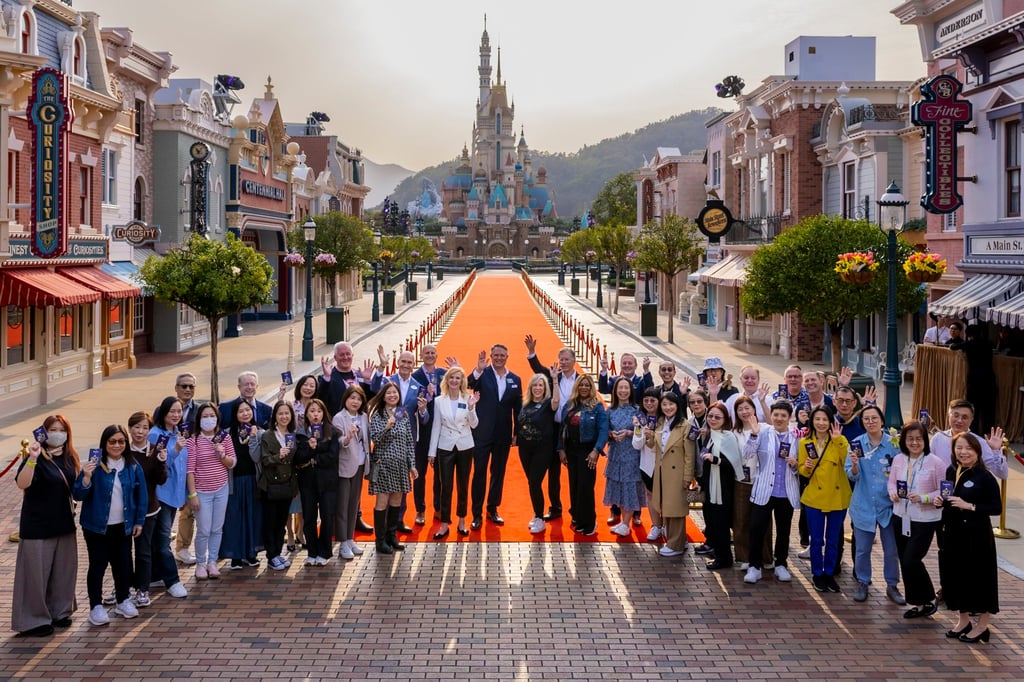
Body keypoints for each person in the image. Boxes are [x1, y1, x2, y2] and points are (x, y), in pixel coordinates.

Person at [11, 416, 81, 637]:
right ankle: (33, 619)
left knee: (63, 571)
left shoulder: (70, 456)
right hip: (37, 525)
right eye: (53, 429)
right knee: (35, 574)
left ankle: (60, 611)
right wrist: (31, 458)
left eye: (62, 430)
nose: (57, 433)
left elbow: (76, 487)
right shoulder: (36, 456)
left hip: (64, 523)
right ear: (44, 432)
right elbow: (22, 483)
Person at [73, 425, 147, 626]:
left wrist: (139, 521)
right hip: (96, 527)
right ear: (104, 444)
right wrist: (86, 477)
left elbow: (142, 497)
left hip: (122, 526)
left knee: (122, 564)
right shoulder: (95, 466)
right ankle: (95, 606)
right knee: (98, 565)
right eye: (112, 441)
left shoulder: (132, 466)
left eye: (121, 441)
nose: (117, 445)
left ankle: (123, 600)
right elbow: (78, 495)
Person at [936, 433, 1001, 643]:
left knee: (980, 580)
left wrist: (970, 506)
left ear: (977, 451)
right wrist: (941, 501)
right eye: (959, 448)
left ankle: (983, 625)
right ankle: (963, 620)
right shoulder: (952, 470)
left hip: (977, 537)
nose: (963, 452)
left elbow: (996, 508)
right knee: (956, 578)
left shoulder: (985, 476)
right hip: (953, 534)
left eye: (968, 449)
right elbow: (949, 498)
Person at [845, 405, 905, 605]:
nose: (870, 422)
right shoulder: (856, 444)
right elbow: (851, 475)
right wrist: (854, 464)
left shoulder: (894, 443)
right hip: (863, 505)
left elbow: (903, 471)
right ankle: (863, 582)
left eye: (874, 418)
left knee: (891, 549)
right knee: (862, 549)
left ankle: (892, 585)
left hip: (888, 506)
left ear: (882, 420)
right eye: (866, 419)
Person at [887, 422, 945, 619]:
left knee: (912, 559)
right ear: (903, 440)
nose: (914, 442)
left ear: (925, 440)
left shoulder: (935, 462)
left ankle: (929, 597)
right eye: (910, 438)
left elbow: (943, 491)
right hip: (901, 516)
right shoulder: (898, 459)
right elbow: (892, 483)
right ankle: (918, 603)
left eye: (918, 438)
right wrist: (893, 493)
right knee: (904, 560)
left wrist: (925, 497)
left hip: (925, 519)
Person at [371, 349, 430, 532]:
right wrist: (381, 366)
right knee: (385, 484)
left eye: (409, 363)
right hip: (385, 438)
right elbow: (373, 387)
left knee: (402, 482)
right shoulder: (388, 381)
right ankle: (385, 522)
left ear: (414, 365)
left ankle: (398, 519)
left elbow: (424, 419)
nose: (405, 365)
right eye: (403, 361)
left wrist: (422, 410)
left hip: (405, 439)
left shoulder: (418, 386)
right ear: (397, 362)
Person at [525, 335, 580, 522]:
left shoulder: (581, 380)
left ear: (574, 360)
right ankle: (555, 507)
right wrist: (532, 353)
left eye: (567, 359)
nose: (563, 362)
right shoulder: (552, 375)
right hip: (553, 429)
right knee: (553, 471)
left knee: (574, 472)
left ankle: (576, 511)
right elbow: (537, 369)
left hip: (573, 431)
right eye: (561, 359)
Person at [746, 401, 802, 583]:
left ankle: (781, 564)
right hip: (764, 490)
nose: (779, 419)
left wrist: (795, 466)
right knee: (756, 529)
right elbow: (747, 454)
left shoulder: (797, 436)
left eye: (783, 415)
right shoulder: (762, 432)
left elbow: (803, 466)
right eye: (776, 415)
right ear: (771, 415)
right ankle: (754, 566)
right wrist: (753, 435)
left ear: (789, 417)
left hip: (786, 491)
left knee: (784, 530)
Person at [468, 344, 522, 529]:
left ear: (507, 356)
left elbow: (518, 408)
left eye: (502, 355)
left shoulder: (515, 379)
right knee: (479, 473)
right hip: (481, 433)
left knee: (498, 473)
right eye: (496, 355)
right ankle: (476, 514)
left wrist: (517, 433)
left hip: (503, 434)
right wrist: (478, 369)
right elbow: (468, 384)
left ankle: (492, 509)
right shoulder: (482, 374)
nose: (499, 358)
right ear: (491, 356)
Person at [798, 405, 851, 593]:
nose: (821, 423)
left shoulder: (840, 439)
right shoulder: (805, 442)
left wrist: (838, 441)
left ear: (830, 422)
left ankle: (829, 573)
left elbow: (848, 462)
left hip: (838, 496)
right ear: (812, 421)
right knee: (816, 539)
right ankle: (817, 574)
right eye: (817, 419)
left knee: (833, 539)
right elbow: (802, 471)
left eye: (824, 419)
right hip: (815, 497)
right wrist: (807, 466)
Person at [429, 367, 481, 538]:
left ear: (462, 381)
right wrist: (432, 452)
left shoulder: (468, 398)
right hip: (445, 446)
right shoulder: (438, 401)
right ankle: (444, 524)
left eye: (458, 378)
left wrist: (472, 408)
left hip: (465, 445)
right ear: (447, 380)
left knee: (463, 485)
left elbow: (474, 425)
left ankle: (461, 520)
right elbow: (436, 426)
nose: (454, 381)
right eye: (451, 378)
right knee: (446, 486)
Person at [186, 403, 236, 580]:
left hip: (221, 488)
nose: (209, 419)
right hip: (202, 491)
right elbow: (190, 470)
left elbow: (232, 463)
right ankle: (200, 563)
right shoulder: (193, 440)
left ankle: (212, 562)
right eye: (205, 416)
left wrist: (222, 455)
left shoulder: (224, 437)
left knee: (217, 528)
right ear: (199, 419)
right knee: (204, 529)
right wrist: (193, 495)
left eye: (211, 416)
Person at [368, 382, 419, 553]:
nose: (392, 396)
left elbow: (409, 441)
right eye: (389, 393)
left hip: (400, 465)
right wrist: (387, 427)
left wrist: (412, 464)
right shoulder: (378, 416)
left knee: (396, 500)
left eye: (395, 393)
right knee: (382, 502)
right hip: (383, 465)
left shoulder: (402, 413)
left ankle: (392, 536)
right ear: (383, 396)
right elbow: (375, 439)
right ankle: (380, 540)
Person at [557, 374, 609, 536]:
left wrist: (596, 450)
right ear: (577, 387)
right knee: (574, 485)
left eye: (587, 385)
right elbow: (562, 429)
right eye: (581, 385)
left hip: (588, 452)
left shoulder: (597, 406)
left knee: (586, 487)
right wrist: (561, 449)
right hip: (571, 451)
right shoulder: (570, 405)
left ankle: (589, 522)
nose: (584, 388)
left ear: (591, 388)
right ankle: (578, 519)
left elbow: (603, 430)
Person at [149, 397, 190, 599]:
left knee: (159, 539)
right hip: (161, 495)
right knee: (163, 539)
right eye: (172, 411)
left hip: (175, 495)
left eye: (179, 411)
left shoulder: (180, 433)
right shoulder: (156, 435)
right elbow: (159, 465)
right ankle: (173, 581)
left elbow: (183, 469)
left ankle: (154, 575)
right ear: (163, 412)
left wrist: (185, 495)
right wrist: (175, 450)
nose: (176, 415)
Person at [647, 391, 694, 557]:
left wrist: (688, 477)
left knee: (677, 509)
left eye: (671, 404)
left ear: (678, 406)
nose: (667, 408)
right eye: (664, 404)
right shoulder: (660, 423)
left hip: (677, 473)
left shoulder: (685, 426)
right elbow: (653, 445)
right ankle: (677, 541)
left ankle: (676, 544)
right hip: (661, 472)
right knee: (667, 506)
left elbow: (690, 455)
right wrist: (648, 435)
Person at [293, 398, 339, 565]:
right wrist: (309, 450)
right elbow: (297, 457)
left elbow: (333, 456)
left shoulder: (331, 431)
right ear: (306, 414)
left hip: (328, 481)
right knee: (309, 517)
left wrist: (316, 451)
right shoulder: (301, 432)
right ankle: (312, 551)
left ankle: (325, 552)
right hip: (307, 481)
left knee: (327, 516)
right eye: (312, 411)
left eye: (318, 411)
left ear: (323, 413)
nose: (315, 414)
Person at [733, 395, 774, 572]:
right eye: (740, 409)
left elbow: (778, 426)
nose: (744, 412)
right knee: (741, 521)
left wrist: (764, 402)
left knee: (763, 522)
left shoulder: (764, 428)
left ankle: (766, 557)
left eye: (747, 408)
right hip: (741, 481)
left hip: (762, 481)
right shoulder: (734, 432)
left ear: (754, 409)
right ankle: (745, 557)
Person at [129, 411, 165, 609]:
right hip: (124, 511)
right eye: (136, 427)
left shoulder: (155, 450)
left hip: (148, 509)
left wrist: (161, 462)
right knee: (122, 552)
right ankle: (123, 586)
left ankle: (143, 588)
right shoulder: (122, 450)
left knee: (143, 551)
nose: (140, 431)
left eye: (144, 427)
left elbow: (161, 480)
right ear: (130, 428)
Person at [257, 401, 298, 570]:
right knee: (270, 521)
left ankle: (278, 553)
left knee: (281, 521)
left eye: (287, 413)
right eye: (280, 413)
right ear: (275, 416)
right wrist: (278, 456)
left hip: (287, 484)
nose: (284, 417)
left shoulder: (292, 435)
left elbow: (295, 460)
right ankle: (271, 555)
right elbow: (265, 460)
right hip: (271, 485)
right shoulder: (268, 435)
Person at [221, 400, 263, 570]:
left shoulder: (259, 432)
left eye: (248, 410)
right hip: (234, 482)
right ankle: (235, 556)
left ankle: (251, 554)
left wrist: (253, 437)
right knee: (234, 518)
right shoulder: (226, 434)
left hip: (253, 480)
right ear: (235, 415)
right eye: (241, 411)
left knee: (252, 517)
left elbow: (256, 458)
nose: (245, 414)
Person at [516, 372, 559, 534]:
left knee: (534, 482)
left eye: (541, 385)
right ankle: (537, 513)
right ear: (531, 387)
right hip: (525, 449)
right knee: (532, 483)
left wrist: (554, 380)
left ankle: (540, 518)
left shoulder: (548, 404)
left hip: (543, 448)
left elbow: (556, 401)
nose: (538, 388)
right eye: (535, 385)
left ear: (545, 387)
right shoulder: (524, 403)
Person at [701, 402, 741, 570]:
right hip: (710, 486)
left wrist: (715, 460)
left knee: (721, 523)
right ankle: (718, 553)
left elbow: (735, 464)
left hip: (723, 489)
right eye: (710, 416)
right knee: (712, 521)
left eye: (717, 417)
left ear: (725, 419)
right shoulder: (712, 435)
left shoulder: (728, 437)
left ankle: (724, 558)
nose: (713, 419)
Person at [604, 377, 645, 537]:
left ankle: (626, 522)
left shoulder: (637, 410)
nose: (623, 391)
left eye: (626, 388)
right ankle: (623, 522)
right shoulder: (609, 410)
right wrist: (610, 434)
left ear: (631, 390)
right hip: (615, 455)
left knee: (629, 488)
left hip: (631, 455)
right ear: (615, 391)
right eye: (620, 388)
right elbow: (604, 431)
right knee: (619, 488)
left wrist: (629, 433)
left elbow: (643, 432)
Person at [167, 373, 202, 566]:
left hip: (191, 468)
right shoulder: (166, 409)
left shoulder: (199, 410)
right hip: (171, 467)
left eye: (191, 386)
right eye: (183, 386)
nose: (187, 389)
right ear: (176, 388)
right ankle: (164, 545)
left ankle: (182, 548)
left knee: (188, 510)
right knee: (167, 508)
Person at [411, 344, 448, 525]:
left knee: (440, 474)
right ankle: (420, 510)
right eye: (427, 353)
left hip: (442, 432)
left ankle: (438, 507)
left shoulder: (443, 374)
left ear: (437, 355)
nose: (430, 355)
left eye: (433, 353)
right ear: (422, 355)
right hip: (422, 433)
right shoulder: (415, 376)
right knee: (420, 473)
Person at [334, 385, 370, 559]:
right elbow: (339, 441)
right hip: (345, 466)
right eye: (352, 398)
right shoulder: (339, 417)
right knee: (342, 505)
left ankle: (350, 538)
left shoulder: (363, 416)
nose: (355, 402)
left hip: (360, 464)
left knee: (354, 504)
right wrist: (347, 438)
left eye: (358, 399)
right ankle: (342, 542)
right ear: (346, 399)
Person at [930, 400, 1008, 480]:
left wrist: (996, 451)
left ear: (971, 420)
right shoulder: (938, 438)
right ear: (948, 416)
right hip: (941, 488)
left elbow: (1002, 475)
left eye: (964, 417)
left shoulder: (978, 442)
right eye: (956, 416)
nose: (959, 420)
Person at [318, 341, 375, 415]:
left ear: (352, 355)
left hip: (359, 422)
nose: (345, 357)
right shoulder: (326, 378)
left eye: (348, 354)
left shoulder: (361, 375)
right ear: (335, 357)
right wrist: (327, 378)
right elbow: (321, 399)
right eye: (341, 355)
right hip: (337, 423)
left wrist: (367, 381)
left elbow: (369, 400)